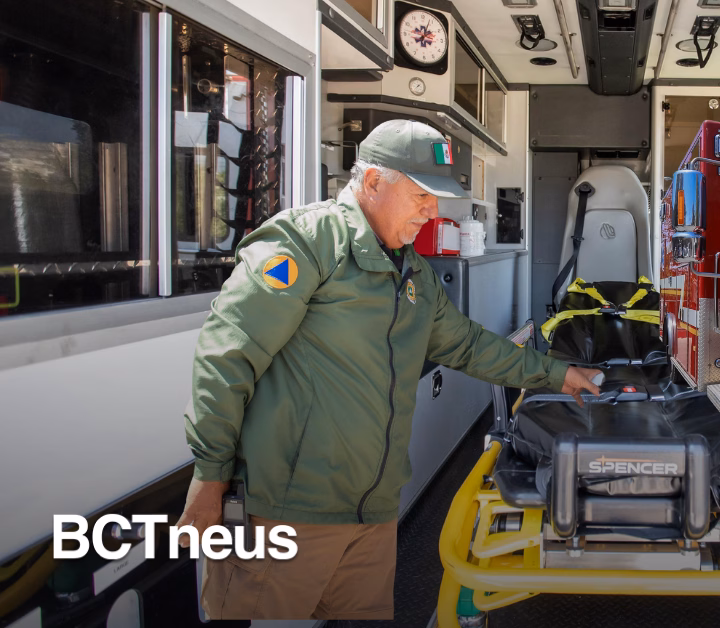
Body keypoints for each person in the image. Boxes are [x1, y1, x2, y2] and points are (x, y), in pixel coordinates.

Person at [178, 119, 601, 620]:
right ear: (374, 182)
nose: (433, 210)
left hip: (374, 515)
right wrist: (209, 475)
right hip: (288, 515)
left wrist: (556, 374)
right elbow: (228, 354)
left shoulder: (411, 270)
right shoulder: (307, 243)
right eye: (422, 194)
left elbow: (467, 345)